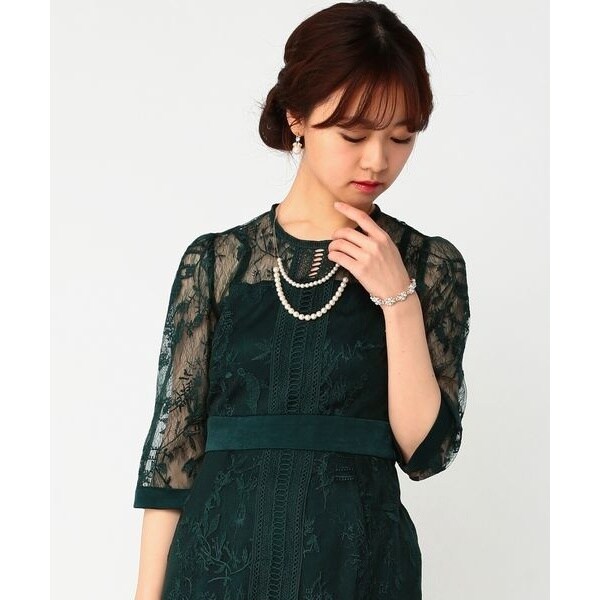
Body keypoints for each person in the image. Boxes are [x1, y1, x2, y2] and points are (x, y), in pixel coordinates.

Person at [132, 1, 471, 599]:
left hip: (359, 574)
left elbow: (425, 451)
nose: (378, 160)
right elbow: (173, 455)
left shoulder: (428, 265)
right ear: (297, 117)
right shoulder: (216, 263)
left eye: (401, 137)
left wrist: (398, 300)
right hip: (215, 574)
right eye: (353, 134)